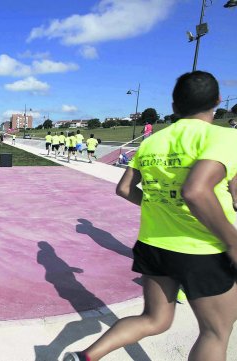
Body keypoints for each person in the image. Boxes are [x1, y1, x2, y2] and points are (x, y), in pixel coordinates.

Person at [64, 71, 237, 361]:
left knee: (155, 319)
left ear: (174, 105)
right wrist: (232, 242)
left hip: (154, 244)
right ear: (218, 100)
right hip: (204, 248)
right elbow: (196, 191)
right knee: (215, 332)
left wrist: (159, 205)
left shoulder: (152, 142)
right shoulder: (225, 137)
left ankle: (85, 357)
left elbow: (124, 188)